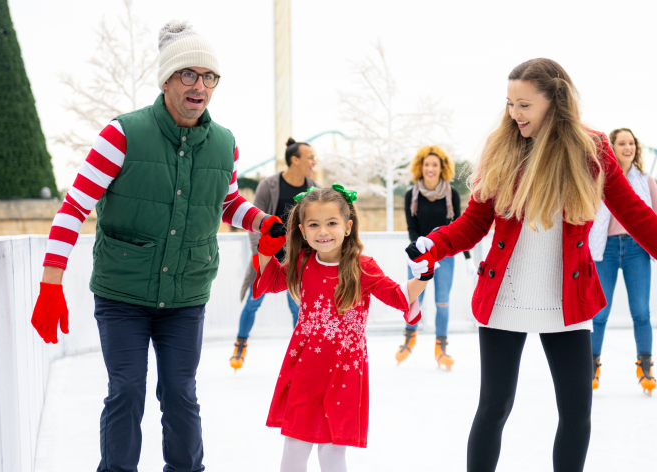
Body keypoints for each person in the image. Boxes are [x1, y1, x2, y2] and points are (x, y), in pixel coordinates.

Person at [404, 58, 657, 472]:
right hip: (506, 297)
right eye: (509, 103)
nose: (514, 114)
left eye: (524, 105)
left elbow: (638, 217)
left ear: (555, 101)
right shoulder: (501, 147)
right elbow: (476, 222)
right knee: (494, 408)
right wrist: (435, 244)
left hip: (567, 300)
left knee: (576, 413)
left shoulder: (591, 150)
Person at [29, 21, 286, 471]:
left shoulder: (223, 143)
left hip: (185, 294)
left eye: (209, 77)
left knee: (181, 392)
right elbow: (73, 208)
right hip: (122, 292)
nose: (200, 85)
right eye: (188, 74)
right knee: (127, 389)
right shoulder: (122, 135)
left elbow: (224, 201)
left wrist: (260, 221)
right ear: (166, 79)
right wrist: (51, 284)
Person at [252, 184, 430, 472]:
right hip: (305, 368)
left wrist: (423, 272)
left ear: (347, 226)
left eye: (331, 223)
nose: (323, 231)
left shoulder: (363, 266)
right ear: (302, 230)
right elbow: (269, 281)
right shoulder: (303, 262)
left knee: (332, 451)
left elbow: (401, 297)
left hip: (344, 371)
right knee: (295, 446)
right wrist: (266, 249)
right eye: (314, 224)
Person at [589, 128, 657, 394]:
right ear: (612, 148)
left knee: (641, 312)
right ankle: (591, 367)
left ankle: (645, 367)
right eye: (621, 143)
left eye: (631, 143)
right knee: (599, 313)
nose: (627, 147)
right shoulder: (599, 178)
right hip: (604, 250)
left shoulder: (645, 179)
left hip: (636, 250)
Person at [230, 137, 319, 371]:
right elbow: (254, 222)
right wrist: (261, 257)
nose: (314, 162)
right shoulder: (268, 185)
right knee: (252, 303)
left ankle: (301, 353)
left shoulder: (314, 189)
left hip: (296, 262)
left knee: (297, 307)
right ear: (294, 159)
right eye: (310, 157)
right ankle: (241, 344)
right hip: (268, 257)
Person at [396, 145, 475, 370]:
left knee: (442, 301)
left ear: (442, 169)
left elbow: (461, 228)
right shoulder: (412, 194)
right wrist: (420, 253)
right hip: (419, 254)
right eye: (427, 164)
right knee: (414, 299)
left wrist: (467, 257)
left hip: (446, 256)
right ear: (421, 167)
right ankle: (409, 337)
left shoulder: (452, 195)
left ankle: (441, 349)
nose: (430, 168)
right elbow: (412, 228)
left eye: (435, 165)